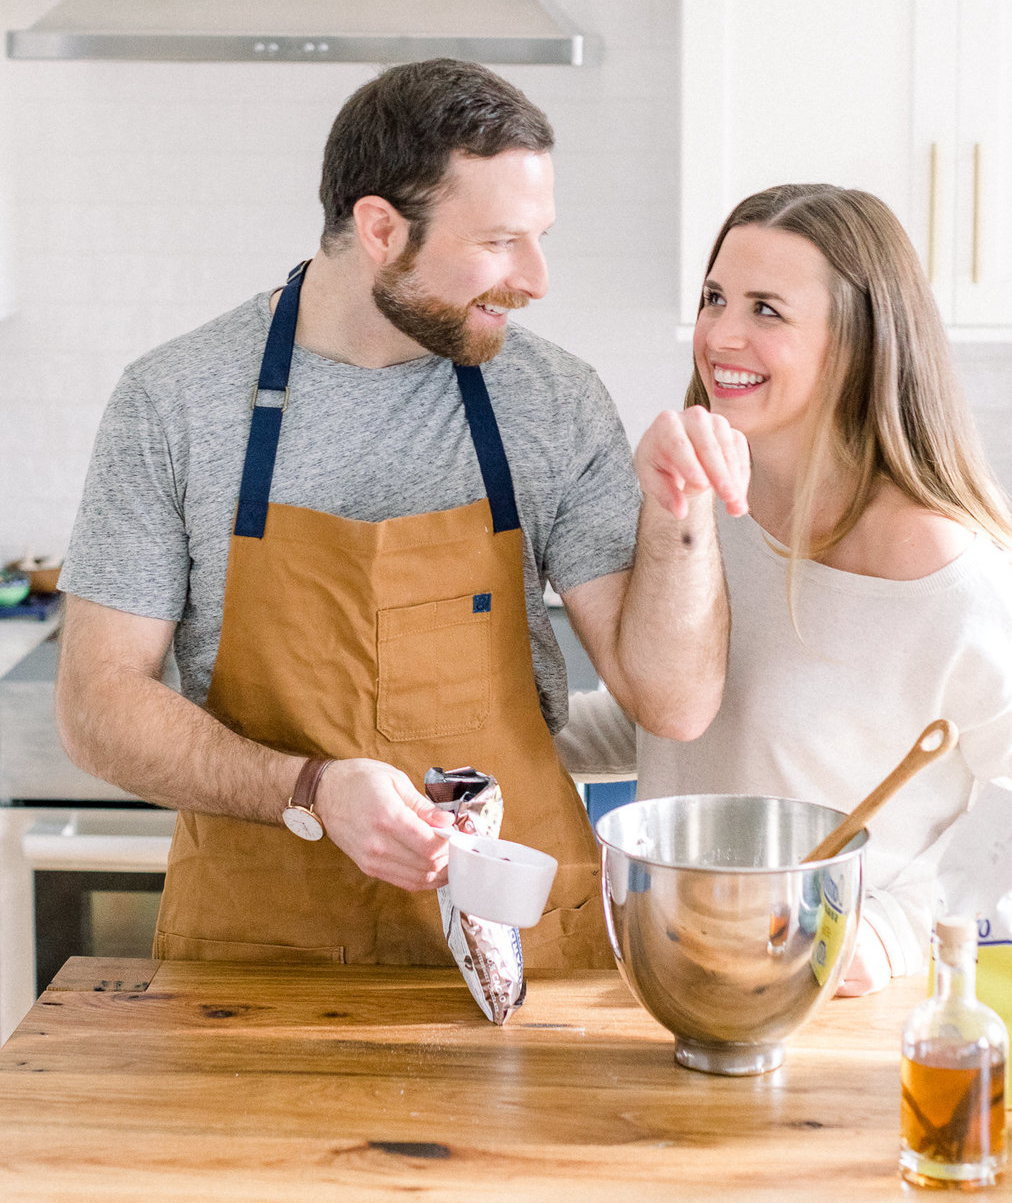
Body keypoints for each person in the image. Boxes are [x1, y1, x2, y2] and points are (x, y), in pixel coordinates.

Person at [55, 59, 747, 972]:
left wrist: (681, 514)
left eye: (539, 237)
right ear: (380, 228)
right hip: (261, 960)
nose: (536, 279)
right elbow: (97, 707)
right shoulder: (175, 402)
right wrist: (310, 788)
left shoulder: (553, 398)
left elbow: (674, 700)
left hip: (522, 947)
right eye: (500, 242)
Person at [556, 183, 1012, 994]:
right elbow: (694, 720)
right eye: (715, 298)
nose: (720, 336)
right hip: (678, 963)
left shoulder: (949, 575)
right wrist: (494, 738)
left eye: (767, 310)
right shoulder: (705, 515)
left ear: (855, 344)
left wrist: (890, 929)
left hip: (840, 999)